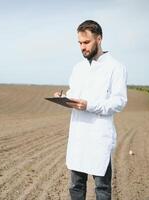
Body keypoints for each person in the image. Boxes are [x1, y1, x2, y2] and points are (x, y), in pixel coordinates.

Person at [54, 20, 128, 200]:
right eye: (79, 43)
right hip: (78, 135)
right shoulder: (78, 68)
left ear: (99, 39)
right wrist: (63, 97)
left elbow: (119, 102)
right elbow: (75, 94)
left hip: (98, 136)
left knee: (102, 188)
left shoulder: (116, 67)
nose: (82, 47)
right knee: (75, 186)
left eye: (86, 42)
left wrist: (89, 105)